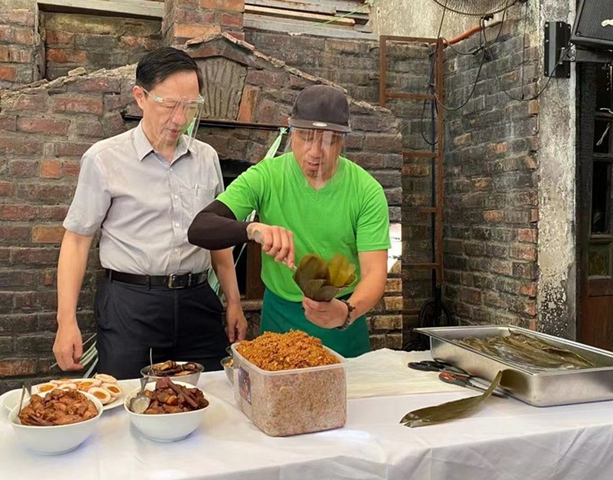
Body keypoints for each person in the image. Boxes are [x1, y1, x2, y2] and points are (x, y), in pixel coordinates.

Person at [52, 46, 247, 379]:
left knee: (213, 394)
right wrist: (65, 320)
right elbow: (77, 241)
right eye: (169, 105)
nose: (180, 119)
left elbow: (217, 239)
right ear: (140, 96)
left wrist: (234, 301)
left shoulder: (206, 158)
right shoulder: (104, 159)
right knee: (127, 398)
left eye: (191, 106)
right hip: (130, 303)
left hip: (198, 301)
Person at [188, 85, 390, 358]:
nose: (315, 152)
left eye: (328, 140)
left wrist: (347, 312)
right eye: (306, 137)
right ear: (291, 132)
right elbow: (201, 227)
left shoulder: (366, 190)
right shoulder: (267, 176)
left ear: (342, 141)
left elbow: (375, 274)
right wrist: (253, 229)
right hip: (280, 318)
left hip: (342, 316)